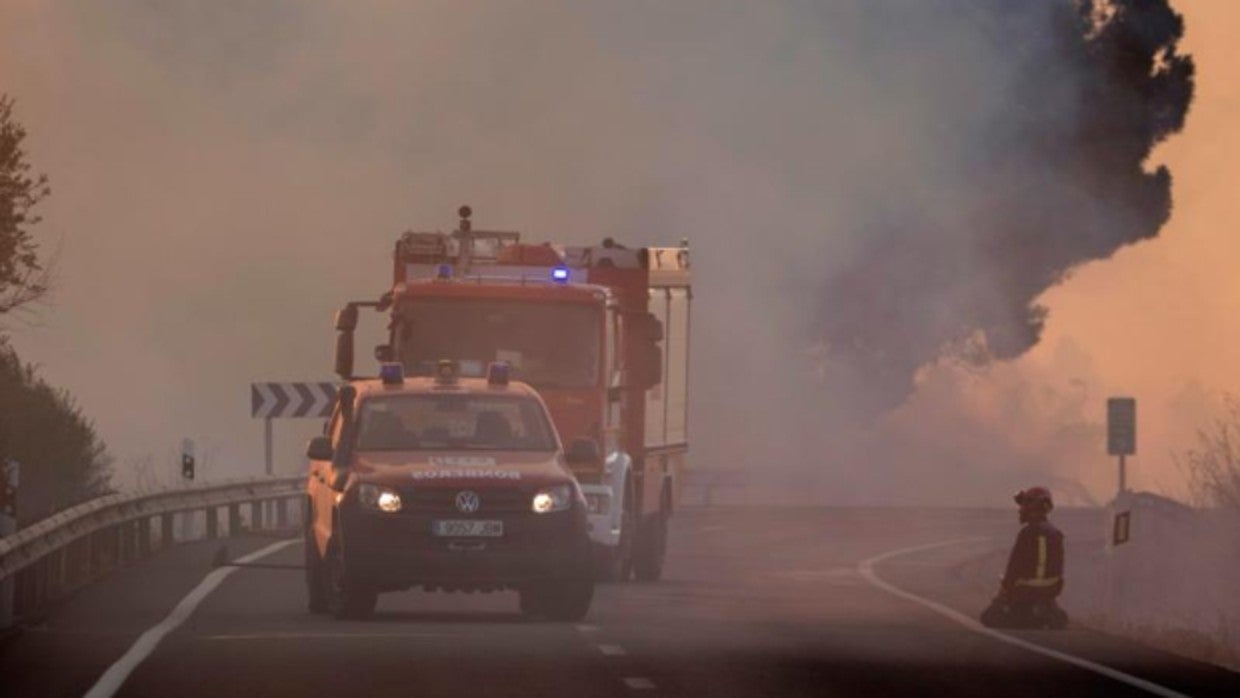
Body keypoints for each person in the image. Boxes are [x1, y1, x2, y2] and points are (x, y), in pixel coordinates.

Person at [980, 486, 1069, 630]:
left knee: (989, 618)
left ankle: (1030, 618)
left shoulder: (1027, 533)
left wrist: (1003, 593)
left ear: (1031, 507)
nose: (1020, 510)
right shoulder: (1056, 533)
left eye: (1023, 506)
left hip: (1025, 592)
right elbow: (1059, 568)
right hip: (1050, 591)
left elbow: (1014, 568)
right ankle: (1047, 612)